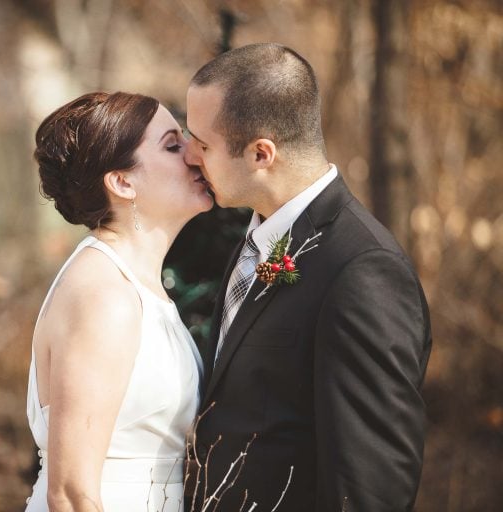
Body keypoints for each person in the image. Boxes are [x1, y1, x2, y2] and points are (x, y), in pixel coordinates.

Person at [183, 43, 432, 511]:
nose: (191, 157)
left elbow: (371, 486)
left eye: (203, 143)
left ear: (261, 154)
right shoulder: (260, 232)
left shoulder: (362, 270)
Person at [24, 91, 213, 511]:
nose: (195, 155)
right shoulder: (103, 294)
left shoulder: (136, 284)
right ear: (122, 182)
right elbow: (71, 493)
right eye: (172, 145)